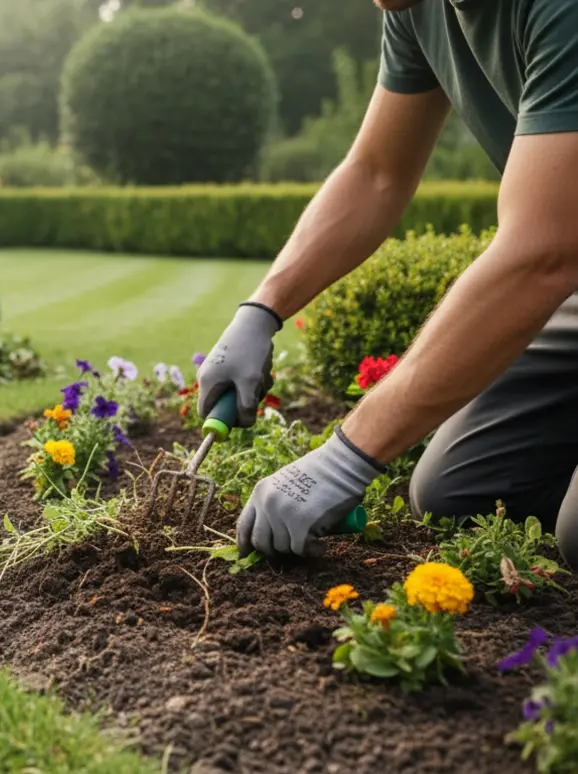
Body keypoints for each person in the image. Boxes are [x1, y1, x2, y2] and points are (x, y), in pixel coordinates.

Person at [196, 0, 578, 565]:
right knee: (460, 496)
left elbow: (541, 251)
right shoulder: (416, 7)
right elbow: (377, 173)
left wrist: (346, 456)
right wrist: (262, 309)